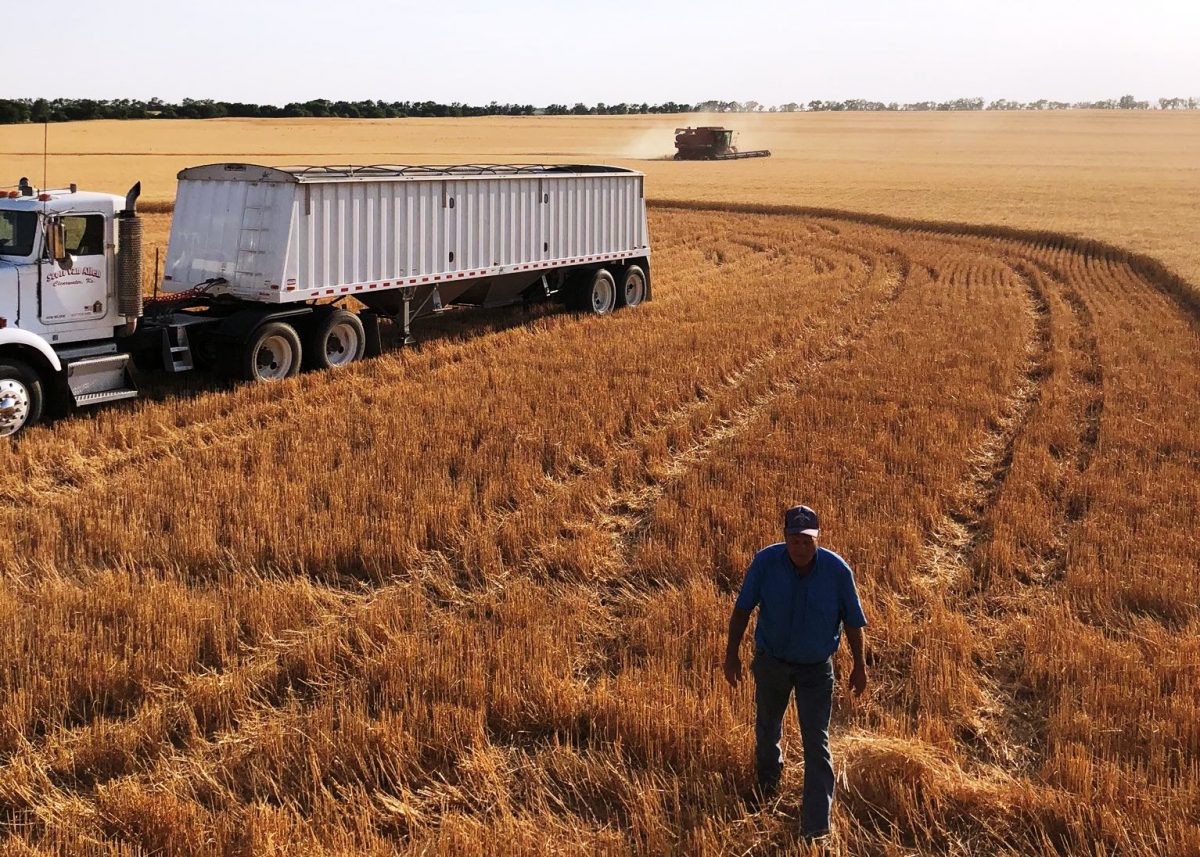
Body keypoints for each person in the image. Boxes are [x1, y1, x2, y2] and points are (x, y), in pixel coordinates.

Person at [723, 504, 868, 840]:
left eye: (807, 540)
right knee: (767, 727)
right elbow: (743, 609)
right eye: (794, 540)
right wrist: (731, 655)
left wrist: (860, 666)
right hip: (771, 662)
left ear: (817, 539)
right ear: (785, 538)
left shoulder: (837, 571)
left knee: (816, 742)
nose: (800, 547)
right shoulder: (765, 563)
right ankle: (767, 786)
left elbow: (853, 622)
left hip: (816, 670)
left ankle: (817, 824)